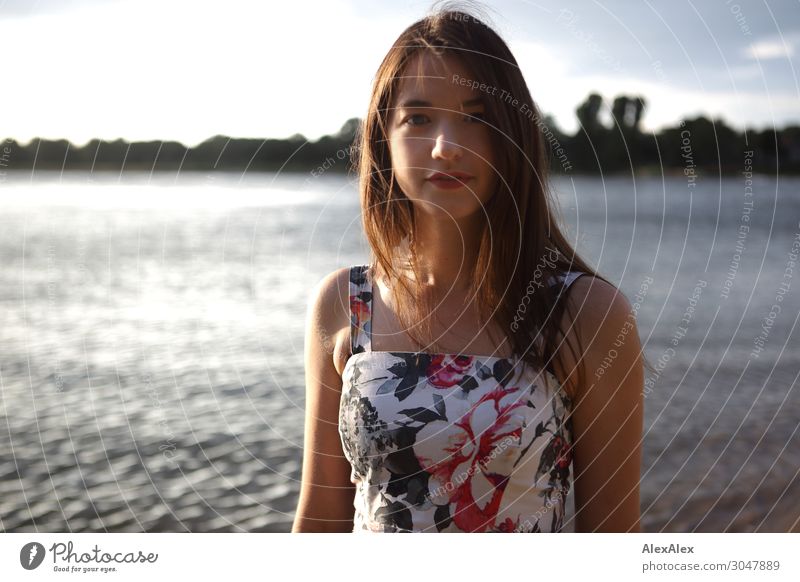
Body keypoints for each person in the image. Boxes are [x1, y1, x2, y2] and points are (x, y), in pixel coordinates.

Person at [292, 4, 644, 533]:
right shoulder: (345, 302)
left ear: (513, 138)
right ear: (383, 139)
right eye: (418, 117)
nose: (445, 147)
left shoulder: (584, 314)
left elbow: (614, 542)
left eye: (476, 118)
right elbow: (319, 521)